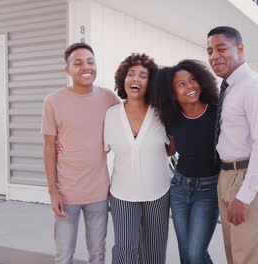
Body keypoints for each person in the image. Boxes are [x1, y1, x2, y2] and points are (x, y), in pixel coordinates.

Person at [41, 42, 119, 264]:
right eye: (78, 63)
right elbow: (49, 149)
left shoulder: (109, 98)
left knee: (98, 254)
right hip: (66, 194)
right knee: (64, 256)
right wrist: (53, 192)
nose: (86, 67)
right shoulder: (53, 101)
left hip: (98, 192)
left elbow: (122, 132)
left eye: (90, 62)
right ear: (68, 69)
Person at [206, 26, 258, 263]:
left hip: (248, 176)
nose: (214, 55)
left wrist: (245, 196)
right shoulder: (229, 88)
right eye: (209, 51)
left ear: (240, 48)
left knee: (247, 256)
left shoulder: (254, 87)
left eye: (220, 48)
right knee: (233, 254)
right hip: (227, 175)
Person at [104, 53, 171, 264]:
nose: (136, 79)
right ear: (123, 79)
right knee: (125, 251)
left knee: (154, 252)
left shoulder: (162, 113)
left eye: (143, 76)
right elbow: (97, 149)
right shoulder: (110, 115)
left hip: (158, 193)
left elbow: (172, 149)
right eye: (131, 74)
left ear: (150, 83)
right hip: (122, 194)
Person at [151, 60, 220, 264]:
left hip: (208, 189)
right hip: (180, 188)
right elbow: (169, 149)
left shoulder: (216, 113)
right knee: (185, 254)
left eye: (192, 80)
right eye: (181, 84)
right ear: (172, 92)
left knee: (195, 254)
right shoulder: (172, 118)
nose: (190, 87)